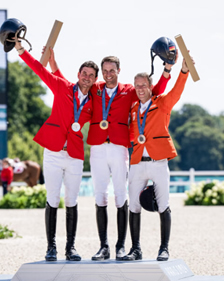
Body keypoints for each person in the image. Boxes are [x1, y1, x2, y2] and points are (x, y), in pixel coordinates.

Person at [49, 53, 171, 260]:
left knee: (121, 196)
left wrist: (166, 71)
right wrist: (53, 62)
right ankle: (103, 246)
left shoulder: (129, 91)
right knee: (100, 195)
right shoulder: (94, 89)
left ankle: (120, 247)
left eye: (111, 71)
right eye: (104, 71)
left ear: (118, 71)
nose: (108, 75)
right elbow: (66, 84)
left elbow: (155, 91)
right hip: (97, 148)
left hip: (119, 148)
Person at [14, 41, 98, 262]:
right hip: (52, 152)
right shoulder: (62, 86)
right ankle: (51, 247)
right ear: (78, 74)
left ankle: (71, 248)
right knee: (52, 199)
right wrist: (21, 50)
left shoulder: (94, 102)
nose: (87, 77)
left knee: (71, 200)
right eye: (85, 73)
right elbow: (39, 70)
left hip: (75, 156)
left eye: (91, 75)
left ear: (95, 80)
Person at [122, 55, 193, 262]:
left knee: (163, 204)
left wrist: (184, 71)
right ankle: (135, 249)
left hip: (158, 161)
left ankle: (164, 249)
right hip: (137, 162)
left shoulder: (162, 103)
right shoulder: (134, 109)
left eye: (143, 85)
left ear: (151, 86)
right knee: (133, 205)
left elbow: (177, 92)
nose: (140, 89)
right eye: (137, 86)